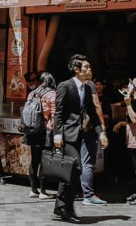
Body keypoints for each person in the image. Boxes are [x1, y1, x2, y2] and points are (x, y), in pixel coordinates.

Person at [53, 54, 107, 224]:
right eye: (86, 67)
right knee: (75, 167)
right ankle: (66, 209)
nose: (90, 70)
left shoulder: (87, 87)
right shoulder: (65, 86)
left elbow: (92, 112)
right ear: (76, 70)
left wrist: (101, 133)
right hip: (67, 135)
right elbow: (59, 113)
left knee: (71, 171)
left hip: (80, 134)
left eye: (90, 67)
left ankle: (62, 208)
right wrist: (57, 134)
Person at [24, 72, 56, 199]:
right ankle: (43, 191)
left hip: (32, 130)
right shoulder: (51, 94)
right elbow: (54, 114)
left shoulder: (32, 94)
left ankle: (33, 189)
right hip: (45, 131)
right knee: (45, 161)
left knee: (34, 160)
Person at [117, 77, 136, 205]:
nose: (128, 86)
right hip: (134, 135)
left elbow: (135, 119)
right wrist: (121, 123)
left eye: (130, 85)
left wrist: (128, 103)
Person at [79, 76, 108, 206]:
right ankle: (88, 194)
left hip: (75, 129)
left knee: (80, 161)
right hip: (88, 129)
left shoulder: (71, 85)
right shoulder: (89, 85)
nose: (89, 70)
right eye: (87, 67)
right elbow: (96, 106)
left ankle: (79, 191)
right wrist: (101, 127)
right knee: (88, 162)